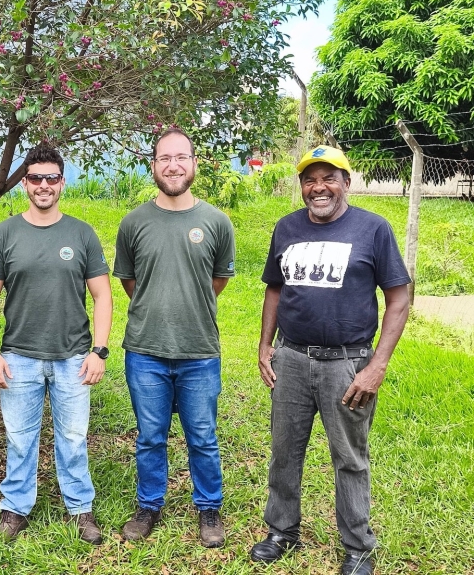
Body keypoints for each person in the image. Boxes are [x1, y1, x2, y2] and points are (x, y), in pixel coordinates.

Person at [251, 146, 411, 575]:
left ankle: (358, 547)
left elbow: (398, 297)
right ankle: (281, 531)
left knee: (350, 458)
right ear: (302, 186)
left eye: (328, 178)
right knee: (284, 452)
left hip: (348, 365)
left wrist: (376, 366)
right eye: (310, 179)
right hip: (292, 359)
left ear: (346, 181)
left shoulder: (373, 229)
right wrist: (266, 346)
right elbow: (275, 289)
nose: (318, 187)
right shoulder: (286, 228)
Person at [0, 144, 112, 544]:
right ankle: (15, 507)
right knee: (19, 438)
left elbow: (103, 296)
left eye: (51, 178)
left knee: (73, 439)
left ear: (62, 183)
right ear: (25, 184)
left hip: (73, 357)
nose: (43, 185)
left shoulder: (81, 233)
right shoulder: (5, 234)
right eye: (35, 178)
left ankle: (79, 508)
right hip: (19, 355)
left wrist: (99, 350)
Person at [113, 128, 235, 548]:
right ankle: (149, 505)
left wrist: (186, 307)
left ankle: (209, 508)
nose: (173, 165)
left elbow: (216, 280)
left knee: (202, 434)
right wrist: (158, 308)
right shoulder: (134, 222)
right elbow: (130, 282)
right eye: (165, 158)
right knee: (150, 435)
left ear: (194, 163)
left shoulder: (216, 222)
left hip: (199, 349)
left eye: (181, 157)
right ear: (153, 165)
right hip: (145, 350)